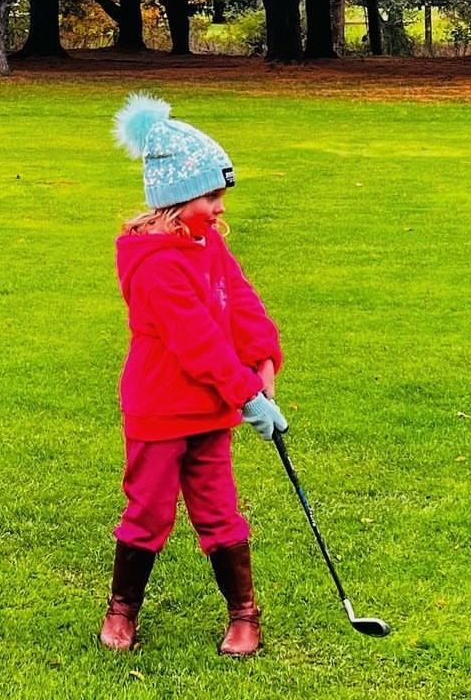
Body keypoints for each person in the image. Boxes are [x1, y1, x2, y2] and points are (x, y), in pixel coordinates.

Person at [100, 94, 288, 657]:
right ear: (175, 200)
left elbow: (242, 303)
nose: (219, 207)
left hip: (209, 413)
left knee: (218, 509)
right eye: (211, 196)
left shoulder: (207, 244)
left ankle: (244, 615)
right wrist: (250, 397)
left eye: (220, 195)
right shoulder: (155, 264)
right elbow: (197, 344)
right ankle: (122, 611)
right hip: (159, 410)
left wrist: (264, 355)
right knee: (149, 510)